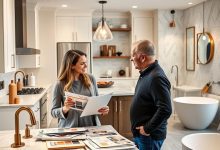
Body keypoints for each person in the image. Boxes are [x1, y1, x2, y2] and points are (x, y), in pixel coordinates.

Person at [130, 40, 172, 150]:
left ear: (142, 57)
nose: (131, 59)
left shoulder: (156, 77)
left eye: (133, 55)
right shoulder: (146, 73)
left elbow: (166, 109)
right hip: (143, 134)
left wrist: (147, 129)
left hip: (149, 136)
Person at [51, 49, 109, 128]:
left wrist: (103, 109)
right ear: (72, 65)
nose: (86, 66)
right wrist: (65, 108)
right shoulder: (59, 84)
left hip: (92, 127)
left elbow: (97, 102)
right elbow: (53, 112)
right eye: (82, 63)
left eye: (86, 62)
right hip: (70, 129)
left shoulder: (91, 78)